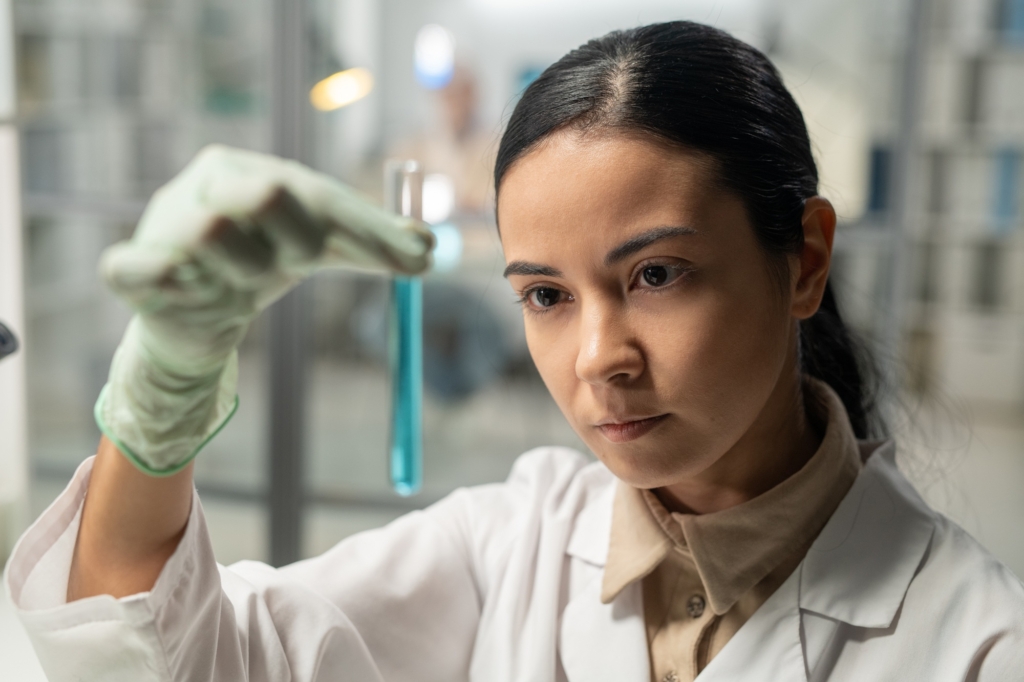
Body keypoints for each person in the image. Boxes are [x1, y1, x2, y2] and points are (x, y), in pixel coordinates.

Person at [5, 21, 1023, 682]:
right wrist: (163, 394)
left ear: (805, 261)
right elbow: (172, 654)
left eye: (656, 274)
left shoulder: (977, 642)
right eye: (545, 294)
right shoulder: (515, 541)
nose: (597, 357)